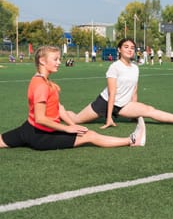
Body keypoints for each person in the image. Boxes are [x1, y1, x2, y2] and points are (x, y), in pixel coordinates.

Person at [0, 45, 146, 151]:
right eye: (55, 59)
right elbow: (40, 118)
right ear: (42, 61)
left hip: (29, 129)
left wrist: (72, 125)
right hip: (41, 136)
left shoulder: (44, 81)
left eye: (59, 59)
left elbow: (59, 108)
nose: (59, 62)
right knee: (90, 135)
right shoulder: (41, 85)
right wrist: (67, 129)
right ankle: (132, 140)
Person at [69, 38, 173, 129]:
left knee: (149, 110)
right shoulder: (115, 67)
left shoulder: (135, 68)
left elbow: (134, 91)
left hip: (123, 105)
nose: (129, 50)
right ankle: (58, 111)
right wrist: (108, 118)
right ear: (119, 49)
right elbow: (112, 93)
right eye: (126, 47)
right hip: (104, 103)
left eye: (132, 48)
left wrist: (135, 112)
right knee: (76, 119)